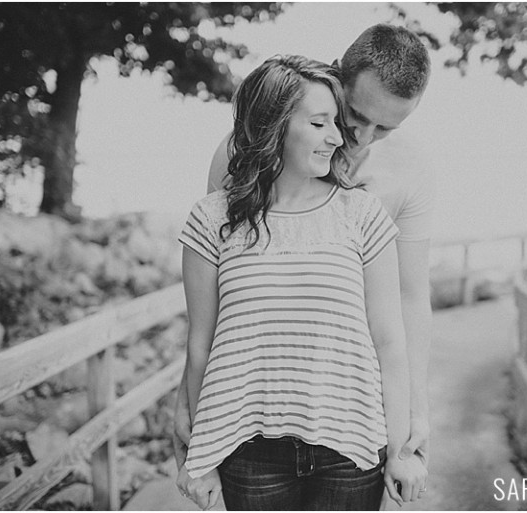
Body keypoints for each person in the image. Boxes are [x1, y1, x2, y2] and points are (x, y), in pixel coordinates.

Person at [174, 22, 434, 507]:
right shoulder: (238, 156)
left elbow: (410, 302)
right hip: (255, 427)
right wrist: (188, 405)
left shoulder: (408, 174)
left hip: (349, 422)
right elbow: (218, 291)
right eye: (355, 115)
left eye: (386, 128)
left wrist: (414, 413)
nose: (360, 137)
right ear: (339, 78)